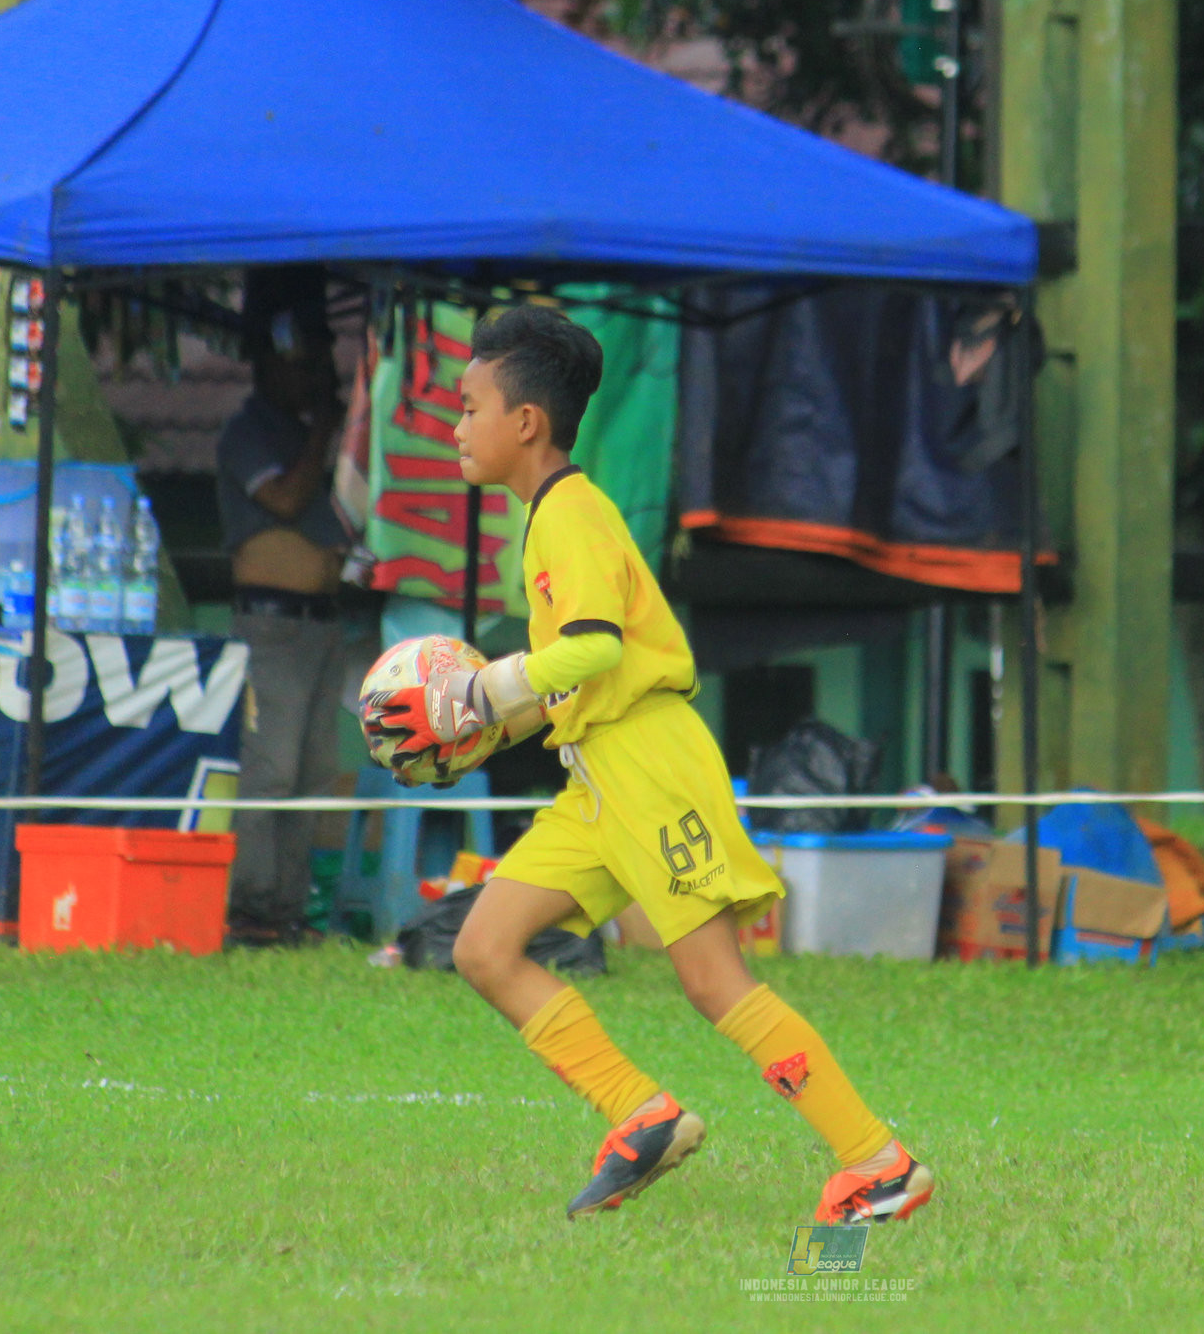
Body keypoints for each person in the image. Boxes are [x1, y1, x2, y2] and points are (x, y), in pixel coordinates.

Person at [366, 305, 933, 1225]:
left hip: (650, 768)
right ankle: (642, 1115)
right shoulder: (547, 517)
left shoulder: (572, 514)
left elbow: (589, 649)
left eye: (469, 407)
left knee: (715, 982)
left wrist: (484, 688)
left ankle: (880, 1163)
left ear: (526, 423)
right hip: (597, 778)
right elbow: (569, 683)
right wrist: (471, 730)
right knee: (483, 946)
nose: (455, 425)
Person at [215, 300, 351, 944]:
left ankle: (289, 910)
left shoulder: (305, 436)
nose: (317, 376)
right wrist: (325, 427)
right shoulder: (250, 432)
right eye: (305, 364)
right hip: (271, 628)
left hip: (321, 626)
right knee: (269, 768)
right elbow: (285, 499)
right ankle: (250, 907)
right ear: (269, 365)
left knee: (311, 772)